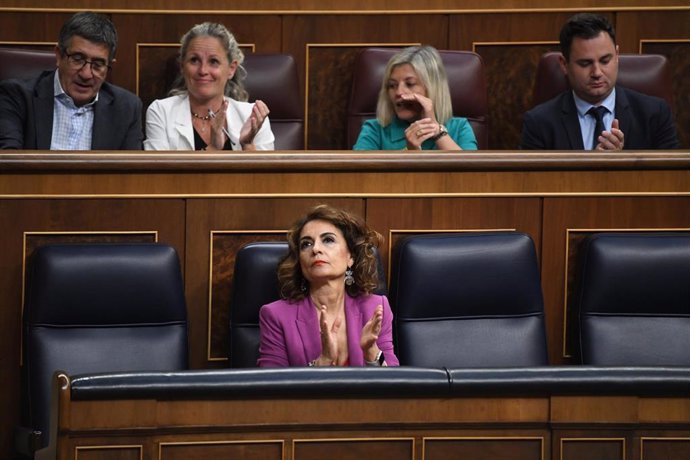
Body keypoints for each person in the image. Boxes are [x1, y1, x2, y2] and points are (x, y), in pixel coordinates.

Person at [258, 204, 399, 367]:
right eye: (306, 244)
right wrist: (322, 361)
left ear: (350, 257)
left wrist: (371, 352)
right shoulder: (276, 316)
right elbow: (272, 387)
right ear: (300, 261)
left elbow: (394, 385)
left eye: (328, 240)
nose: (316, 249)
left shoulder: (376, 308)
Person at [520, 13, 679, 150]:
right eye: (585, 63)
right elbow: (532, 184)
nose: (597, 73)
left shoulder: (654, 114)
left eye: (605, 61)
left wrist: (622, 163)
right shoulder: (539, 123)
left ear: (616, 55)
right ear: (564, 64)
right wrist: (592, 169)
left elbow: (673, 180)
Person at [0, 12, 143, 150]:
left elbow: (130, 173)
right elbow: (8, 164)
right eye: (78, 59)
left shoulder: (127, 109)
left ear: (109, 66)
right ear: (58, 56)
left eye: (98, 64)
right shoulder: (17, 97)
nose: (86, 74)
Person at [144, 22, 274, 151]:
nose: (203, 70)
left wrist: (247, 145)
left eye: (213, 61)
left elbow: (267, 172)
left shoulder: (252, 117)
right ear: (182, 66)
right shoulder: (161, 112)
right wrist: (213, 148)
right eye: (194, 60)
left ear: (231, 69)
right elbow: (157, 171)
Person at [353, 45, 477, 151]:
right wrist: (410, 154)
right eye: (392, 85)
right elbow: (359, 177)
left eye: (410, 84)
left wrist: (437, 132)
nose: (399, 92)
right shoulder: (374, 130)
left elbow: (472, 175)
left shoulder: (460, 128)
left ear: (432, 88)